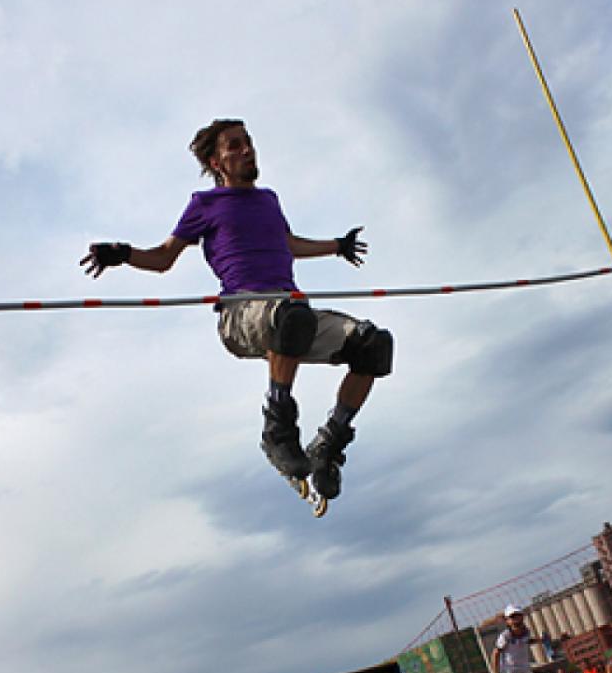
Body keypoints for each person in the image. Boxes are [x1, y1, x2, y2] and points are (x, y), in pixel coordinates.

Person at [83, 119, 392, 501]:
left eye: (248, 142)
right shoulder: (205, 205)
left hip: (287, 308)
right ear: (216, 162)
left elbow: (288, 243)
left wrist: (337, 246)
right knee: (292, 314)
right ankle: (278, 427)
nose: (247, 150)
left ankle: (329, 443)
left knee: (373, 344)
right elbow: (163, 258)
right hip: (242, 313)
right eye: (234, 146)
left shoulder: (269, 200)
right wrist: (123, 254)